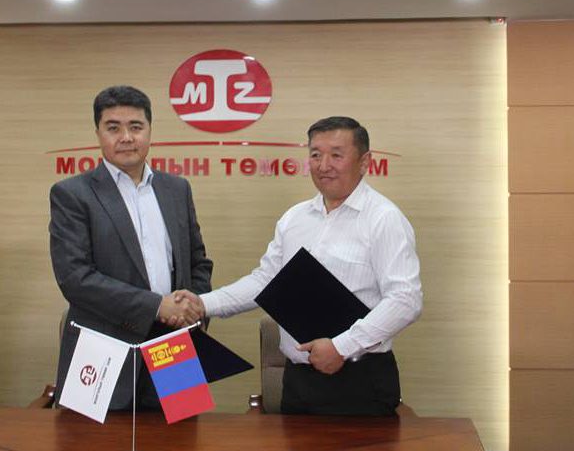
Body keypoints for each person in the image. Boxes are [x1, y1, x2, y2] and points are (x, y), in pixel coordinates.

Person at [196, 116, 422, 416]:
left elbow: (406, 300)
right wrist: (201, 304)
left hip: (359, 380)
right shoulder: (295, 218)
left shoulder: (383, 218)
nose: (323, 165)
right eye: (316, 154)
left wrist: (341, 346)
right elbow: (265, 281)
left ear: (365, 161)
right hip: (298, 380)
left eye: (336, 155)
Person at [50, 85, 212, 410]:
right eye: (113, 128)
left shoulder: (176, 189)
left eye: (135, 127)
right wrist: (156, 306)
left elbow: (198, 261)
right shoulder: (72, 194)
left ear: (149, 131)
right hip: (103, 346)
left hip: (175, 344)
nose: (126, 137)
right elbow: (75, 278)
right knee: (94, 442)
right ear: (98, 133)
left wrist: (191, 309)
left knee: (181, 436)